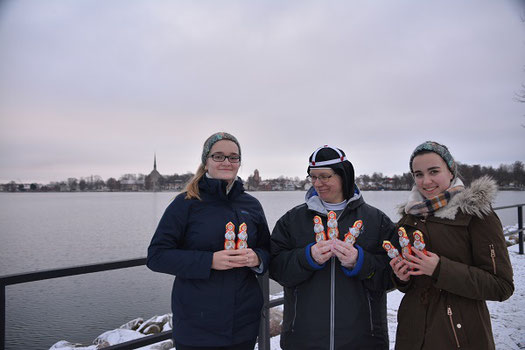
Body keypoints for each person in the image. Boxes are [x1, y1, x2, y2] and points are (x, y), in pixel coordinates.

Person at [147, 132, 271, 350]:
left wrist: (257, 258)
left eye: (233, 157)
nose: (227, 162)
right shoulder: (185, 203)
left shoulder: (251, 205)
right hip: (197, 324)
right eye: (218, 156)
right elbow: (157, 256)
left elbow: (268, 250)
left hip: (244, 321)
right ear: (206, 162)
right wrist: (209, 261)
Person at [270, 145, 397, 350]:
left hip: (362, 340)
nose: (317, 184)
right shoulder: (292, 220)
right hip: (304, 340)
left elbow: (393, 276)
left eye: (325, 176)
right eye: (313, 177)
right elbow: (275, 268)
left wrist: (360, 262)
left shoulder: (376, 220)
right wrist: (306, 258)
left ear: (344, 176)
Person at [390, 141, 514, 350]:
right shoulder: (409, 218)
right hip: (412, 334)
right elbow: (412, 284)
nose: (426, 181)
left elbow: (501, 286)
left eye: (434, 171)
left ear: (450, 171)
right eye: (418, 174)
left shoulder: (476, 215)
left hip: (459, 335)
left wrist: (440, 269)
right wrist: (401, 277)